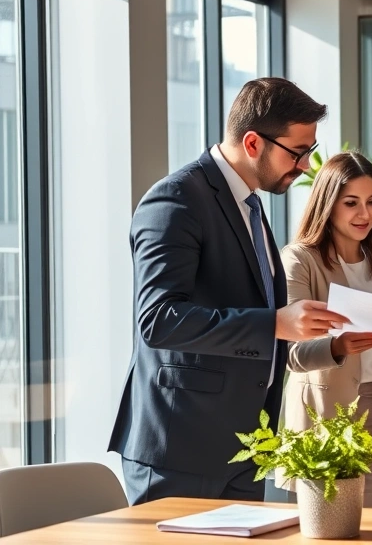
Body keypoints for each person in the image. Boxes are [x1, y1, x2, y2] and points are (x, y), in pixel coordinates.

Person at [108, 78, 348, 505]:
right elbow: (159, 321)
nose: (307, 166)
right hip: (179, 447)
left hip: (243, 447)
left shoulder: (250, 205)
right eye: (298, 152)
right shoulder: (175, 201)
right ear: (253, 143)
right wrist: (274, 323)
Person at [277, 152, 372, 508]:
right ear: (328, 203)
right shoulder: (300, 260)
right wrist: (337, 347)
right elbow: (290, 353)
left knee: (370, 527)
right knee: (325, 528)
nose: (365, 214)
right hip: (323, 414)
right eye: (351, 203)